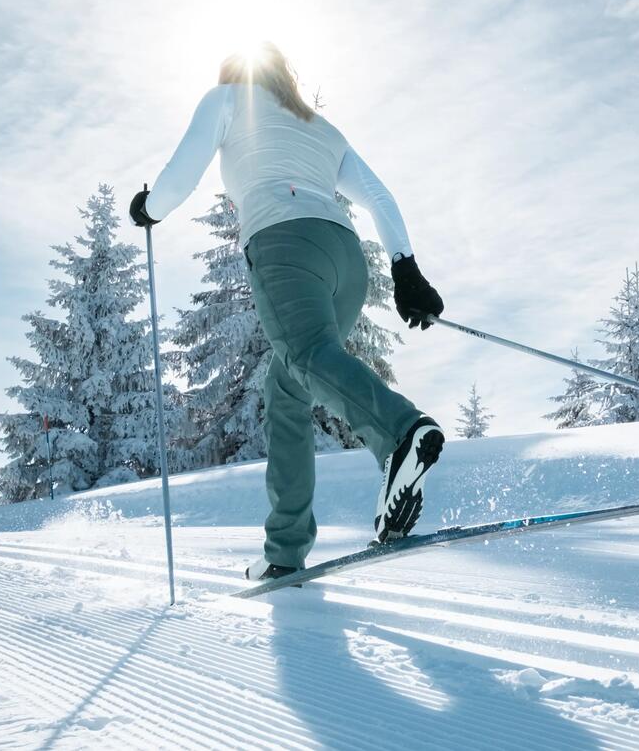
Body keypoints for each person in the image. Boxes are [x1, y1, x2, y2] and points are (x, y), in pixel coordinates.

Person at [131, 43, 446, 582]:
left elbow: (181, 175)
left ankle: (398, 434)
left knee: (302, 354)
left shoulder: (227, 97)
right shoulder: (320, 127)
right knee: (287, 388)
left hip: (284, 243)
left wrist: (148, 208)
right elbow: (380, 197)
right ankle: (285, 548)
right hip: (346, 261)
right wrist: (405, 269)